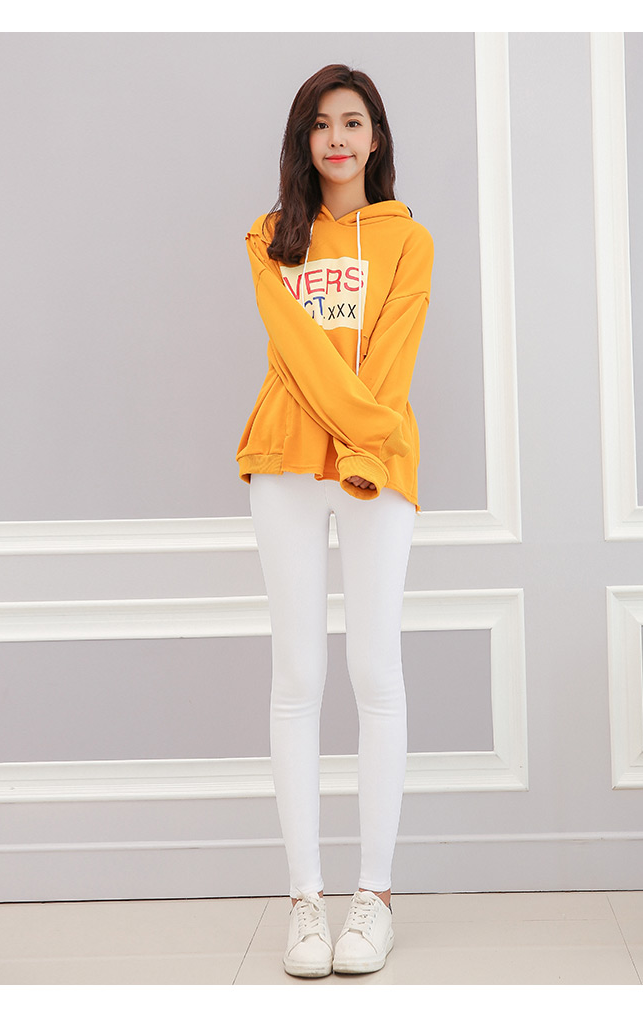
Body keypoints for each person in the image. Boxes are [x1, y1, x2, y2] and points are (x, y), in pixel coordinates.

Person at [236, 63, 433, 978]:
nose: (338, 138)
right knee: (298, 676)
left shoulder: (407, 240)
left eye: (352, 121)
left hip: (375, 468)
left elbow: (390, 361)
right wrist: (353, 434)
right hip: (285, 461)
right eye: (321, 124)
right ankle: (306, 901)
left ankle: (375, 896)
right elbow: (301, 355)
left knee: (374, 670)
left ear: (375, 137)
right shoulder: (269, 237)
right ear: (303, 140)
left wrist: (362, 449)